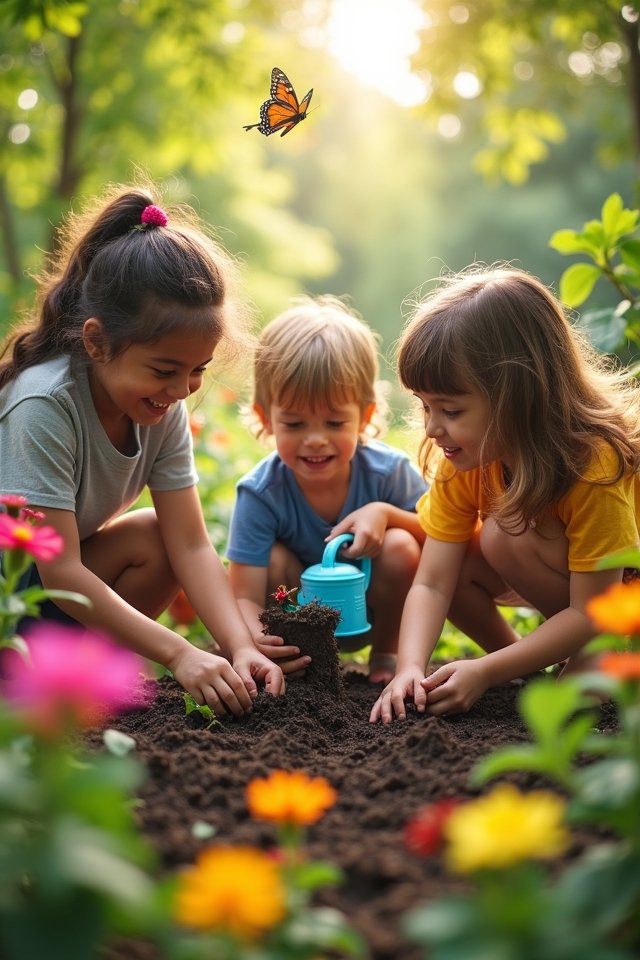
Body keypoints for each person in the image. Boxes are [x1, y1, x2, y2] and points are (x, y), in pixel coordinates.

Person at [0, 184, 284, 715]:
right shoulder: (44, 404)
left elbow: (192, 546)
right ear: (97, 342)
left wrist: (239, 646)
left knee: (157, 540)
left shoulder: (158, 407)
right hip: (9, 601)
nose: (180, 391)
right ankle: (34, 691)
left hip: (47, 596)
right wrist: (179, 654)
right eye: (163, 370)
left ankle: (75, 692)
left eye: (197, 370)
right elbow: (59, 575)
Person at [370, 265, 640, 723]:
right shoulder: (467, 457)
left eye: (451, 410)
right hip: (578, 603)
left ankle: (579, 661)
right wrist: (410, 667)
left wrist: (484, 673)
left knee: (578, 710)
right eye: (425, 406)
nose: (433, 428)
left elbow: (594, 611)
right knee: (483, 544)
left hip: (617, 612)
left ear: (518, 396)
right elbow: (434, 580)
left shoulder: (595, 466)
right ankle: (525, 662)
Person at [226, 296, 427, 684]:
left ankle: (388, 654)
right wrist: (252, 642)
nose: (316, 440)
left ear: (364, 416)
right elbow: (244, 596)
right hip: (302, 625)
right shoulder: (261, 492)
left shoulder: (389, 473)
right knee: (273, 557)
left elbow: (442, 536)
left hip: (369, 615)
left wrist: (386, 514)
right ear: (265, 418)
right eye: (296, 424)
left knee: (403, 545)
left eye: (334, 422)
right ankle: (299, 661)